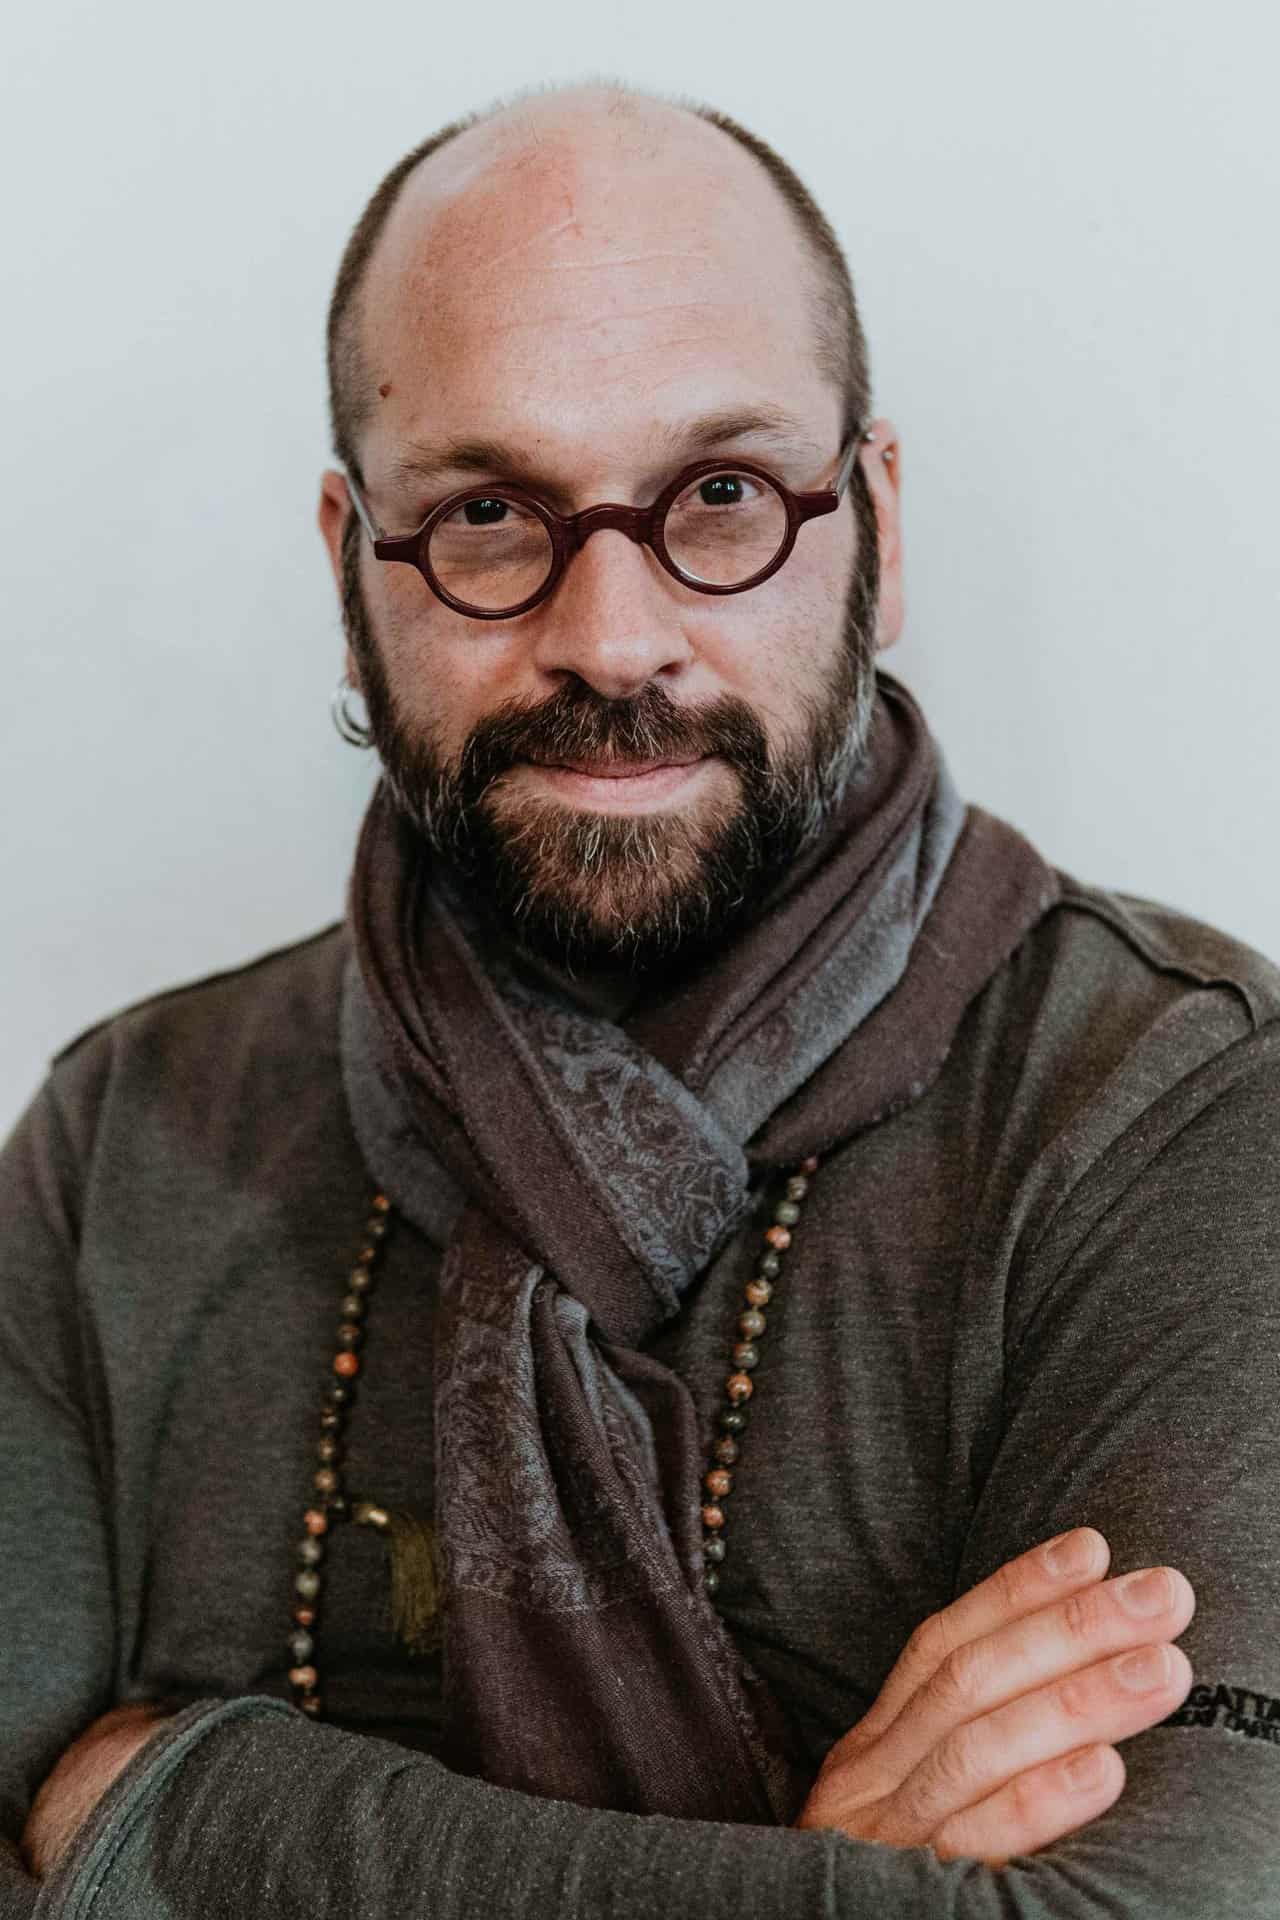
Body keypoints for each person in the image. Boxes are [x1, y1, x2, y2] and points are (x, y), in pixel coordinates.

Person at [2, 79, 1278, 1920]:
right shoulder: (118, 1139)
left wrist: (171, 1810)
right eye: (487, 514)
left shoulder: (1176, 1108)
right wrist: (824, 1886)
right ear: (349, 571)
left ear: (879, 526)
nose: (610, 638)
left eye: (724, 495)